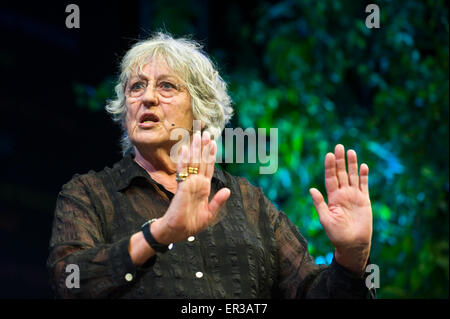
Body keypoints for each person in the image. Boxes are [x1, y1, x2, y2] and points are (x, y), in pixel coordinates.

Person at [47, 32, 375, 298]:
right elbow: (70, 280)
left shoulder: (249, 202)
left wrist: (351, 258)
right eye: (136, 87)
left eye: (166, 86)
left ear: (200, 111)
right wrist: (160, 233)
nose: (146, 98)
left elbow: (310, 294)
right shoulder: (88, 193)